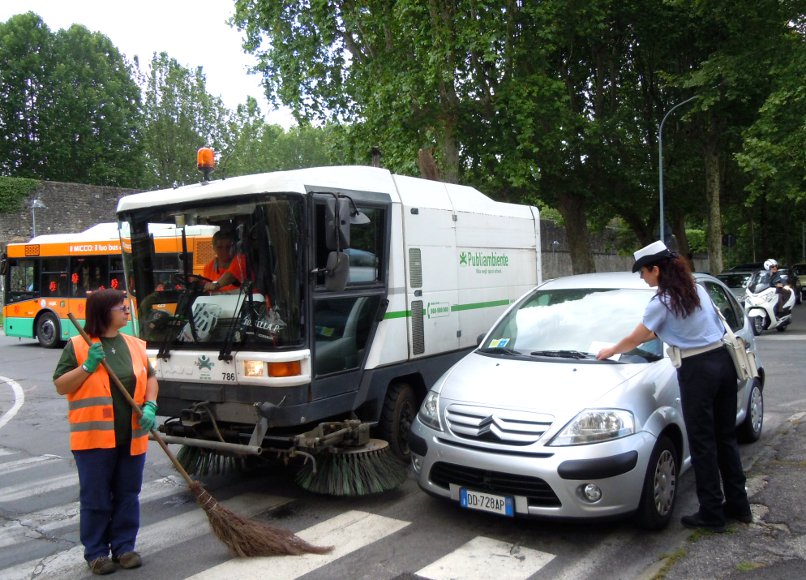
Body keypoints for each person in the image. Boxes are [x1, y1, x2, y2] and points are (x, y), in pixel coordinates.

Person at [596, 241, 751, 532]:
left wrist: (610, 350)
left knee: (703, 443)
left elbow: (637, 338)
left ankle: (712, 513)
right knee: (724, 437)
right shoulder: (696, 289)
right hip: (723, 363)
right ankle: (739, 506)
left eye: (643, 272)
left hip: (698, 371)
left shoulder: (662, 302)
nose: (643, 278)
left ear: (656, 269)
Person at [53, 289, 159, 575]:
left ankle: (124, 547)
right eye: (121, 307)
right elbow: (61, 385)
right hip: (94, 439)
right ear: (103, 313)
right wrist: (87, 366)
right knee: (96, 498)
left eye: (126, 307)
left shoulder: (134, 345)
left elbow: (150, 377)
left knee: (127, 494)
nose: (127, 311)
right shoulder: (78, 345)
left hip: (132, 436)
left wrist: (151, 405)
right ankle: (97, 553)